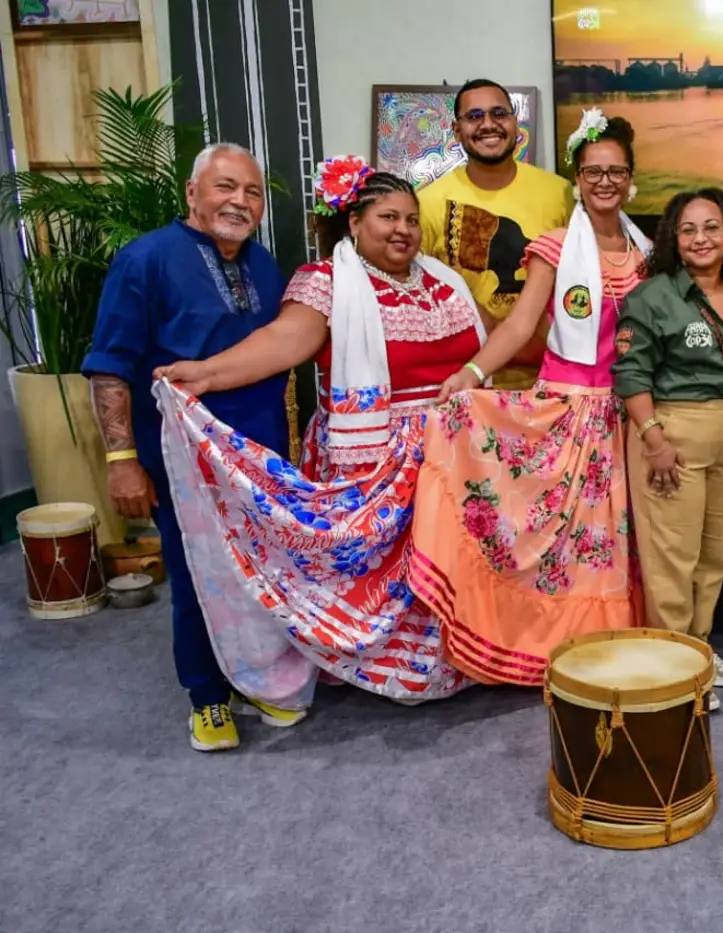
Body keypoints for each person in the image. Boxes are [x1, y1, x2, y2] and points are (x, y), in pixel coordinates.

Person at [153, 160, 486, 716]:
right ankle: (372, 663)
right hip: (371, 458)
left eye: (411, 219)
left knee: (442, 565)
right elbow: (284, 340)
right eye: (388, 217)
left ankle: (446, 662)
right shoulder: (327, 281)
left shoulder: (444, 283)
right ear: (354, 222)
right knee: (372, 574)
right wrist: (207, 373)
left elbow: (494, 341)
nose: (403, 229)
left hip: (449, 452)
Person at [412, 110, 649, 687]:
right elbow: (520, 325)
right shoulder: (556, 247)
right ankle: (554, 645)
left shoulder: (646, 251)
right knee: (563, 543)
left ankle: (610, 640)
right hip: (570, 411)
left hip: (628, 412)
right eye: (592, 172)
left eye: (615, 172)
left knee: (616, 541)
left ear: (630, 179)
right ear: (577, 179)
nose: (604, 182)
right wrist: (472, 372)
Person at [82, 142, 290, 752]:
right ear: (192, 193)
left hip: (258, 462)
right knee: (199, 573)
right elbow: (110, 368)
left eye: (252, 192)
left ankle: (254, 678)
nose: (240, 201)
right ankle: (206, 696)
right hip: (181, 460)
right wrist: (122, 461)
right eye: (226, 187)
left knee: (259, 573)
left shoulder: (265, 266)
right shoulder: (144, 260)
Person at [611, 188, 723, 710]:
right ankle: (674, 671)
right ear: (673, 239)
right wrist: (653, 440)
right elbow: (631, 373)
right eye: (688, 229)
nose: (701, 238)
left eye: (711, 227)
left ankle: (696, 649)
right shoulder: (652, 298)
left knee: (714, 555)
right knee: (672, 558)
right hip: (671, 434)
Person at [419, 78, 573, 390]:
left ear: (515, 123)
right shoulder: (428, 203)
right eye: (474, 116)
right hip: (465, 385)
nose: (488, 124)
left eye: (499, 113)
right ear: (456, 130)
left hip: (549, 379)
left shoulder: (559, 192)